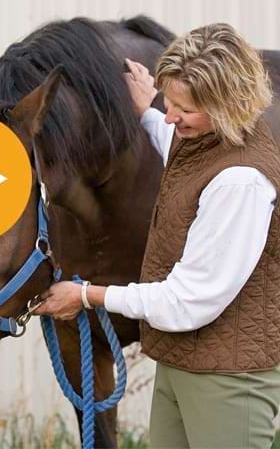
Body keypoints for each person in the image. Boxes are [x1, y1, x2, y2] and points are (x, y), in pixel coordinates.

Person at [34, 23, 280, 447]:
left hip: (228, 380)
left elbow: (186, 300)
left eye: (183, 107)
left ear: (227, 105)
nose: (171, 116)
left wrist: (88, 295)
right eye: (170, 102)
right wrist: (149, 106)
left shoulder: (241, 182)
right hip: (185, 363)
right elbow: (180, 150)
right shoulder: (213, 140)